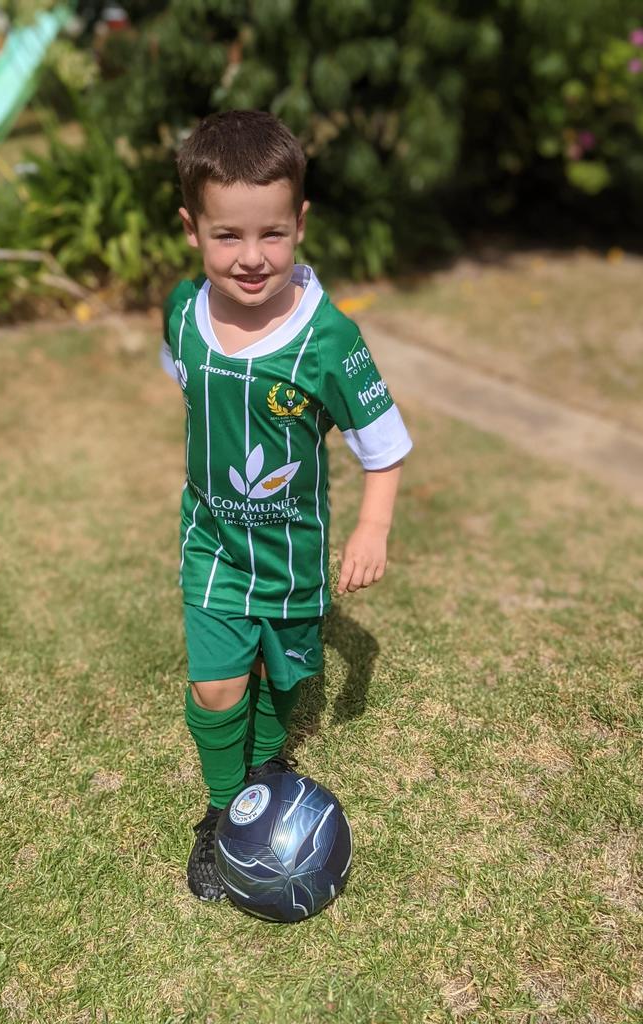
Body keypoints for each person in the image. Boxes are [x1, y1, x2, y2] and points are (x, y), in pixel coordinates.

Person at [161, 110, 413, 901]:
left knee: (283, 679)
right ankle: (219, 813)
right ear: (192, 229)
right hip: (213, 543)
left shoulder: (328, 341)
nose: (251, 258)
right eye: (227, 236)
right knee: (216, 685)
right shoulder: (181, 314)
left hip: (293, 555)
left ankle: (268, 761)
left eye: (272, 234)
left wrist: (372, 527)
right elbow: (190, 390)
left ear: (300, 223)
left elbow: (384, 442)